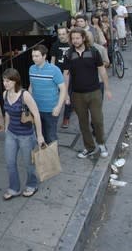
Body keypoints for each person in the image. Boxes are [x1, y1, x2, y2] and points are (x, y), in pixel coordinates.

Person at [63, 28, 112, 159]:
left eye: (77, 38)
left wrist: (107, 89)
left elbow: (102, 71)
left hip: (94, 92)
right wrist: (65, 94)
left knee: (97, 120)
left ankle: (101, 144)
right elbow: (66, 75)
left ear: (83, 38)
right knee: (83, 122)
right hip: (77, 94)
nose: (75, 41)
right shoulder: (68, 54)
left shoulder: (94, 52)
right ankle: (89, 147)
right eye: (73, 38)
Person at [1, 68, 45, 200]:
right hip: (11, 134)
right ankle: (14, 188)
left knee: (28, 164)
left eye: (8, 81)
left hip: (26, 135)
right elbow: (7, 112)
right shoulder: (5, 94)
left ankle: (32, 184)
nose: (5, 83)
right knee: (10, 162)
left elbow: (36, 114)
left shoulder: (24, 95)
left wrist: (40, 135)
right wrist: (6, 128)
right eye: (4, 81)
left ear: (15, 81)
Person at [28, 45, 67, 144]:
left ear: (44, 56)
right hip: (36, 109)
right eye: (33, 56)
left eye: (37, 56)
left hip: (51, 110)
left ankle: (53, 159)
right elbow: (31, 87)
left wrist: (58, 107)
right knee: (39, 136)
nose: (34, 59)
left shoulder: (54, 70)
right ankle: (43, 158)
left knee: (51, 136)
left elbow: (63, 89)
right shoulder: (31, 69)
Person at [51, 26, 72, 129]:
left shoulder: (72, 44)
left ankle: (66, 118)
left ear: (67, 34)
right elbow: (53, 61)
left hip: (70, 73)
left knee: (69, 94)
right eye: (59, 34)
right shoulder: (55, 45)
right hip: (58, 74)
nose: (61, 36)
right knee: (59, 95)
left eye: (63, 34)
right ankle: (55, 115)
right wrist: (52, 74)